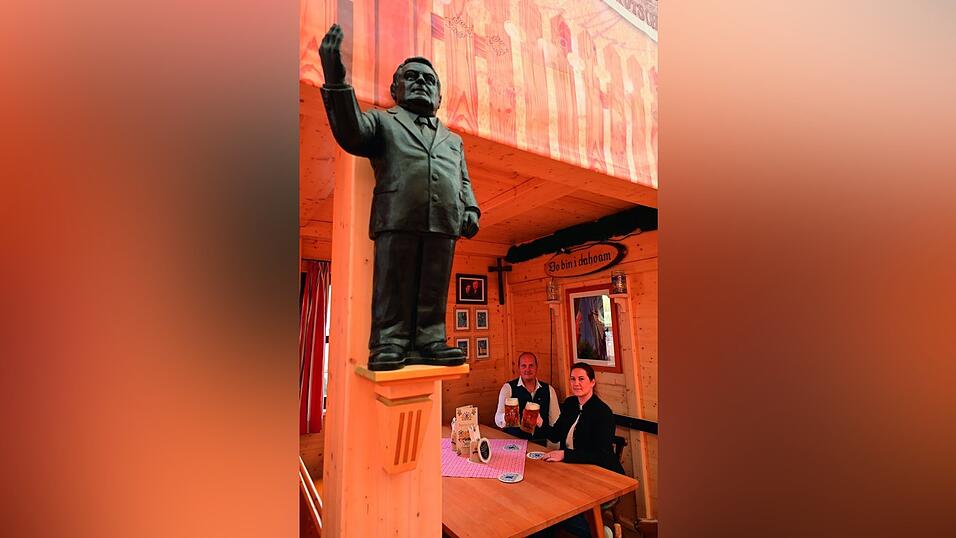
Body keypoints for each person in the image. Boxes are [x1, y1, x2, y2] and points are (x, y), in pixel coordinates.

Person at [318, 24, 480, 371]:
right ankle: (388, 342)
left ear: (439, 97)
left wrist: (471, 207)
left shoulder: (453, 140)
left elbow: (462, 177)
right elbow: (352, 135)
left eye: (429, 80)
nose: (422, 82)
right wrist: (335, 80)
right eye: (413, 77)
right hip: (397, 214)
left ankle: (431, 340)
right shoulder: (383, 121)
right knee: (394, 281)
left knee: (435, 286)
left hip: (444, 220)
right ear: (396, 88)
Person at [543, 362, 624, 474]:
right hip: (572, 467)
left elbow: (601, 455)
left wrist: (564, 455)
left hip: (601, 471)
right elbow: (555, 435)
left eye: (581, 379)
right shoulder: (569, 403)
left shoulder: (603, 412)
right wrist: (539, 422)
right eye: (572, 379)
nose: (576, 383)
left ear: (592, 382)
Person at [494, 352, 560, 444]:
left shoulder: (549, 389)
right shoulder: (508, 388)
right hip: (514, 442)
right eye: (523, 366)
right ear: (519, 368)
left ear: (536, 367)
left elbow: (556, 422)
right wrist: (506, 417)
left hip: (540, 443)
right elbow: (497, 419)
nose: (527, 369)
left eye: (531, 366)